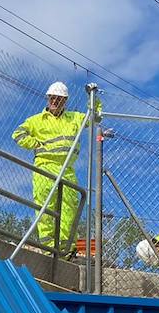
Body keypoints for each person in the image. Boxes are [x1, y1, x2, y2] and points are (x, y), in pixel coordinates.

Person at [12, 82, 96, 251]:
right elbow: (18, 134)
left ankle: (65, 248)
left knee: (68, 208)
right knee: (45, 207)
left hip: (66, 170)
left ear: (65, 101)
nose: (55, 102)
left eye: (59, 99)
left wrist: (93, 97)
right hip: (44, 167)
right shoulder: (36, 121)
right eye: (53, 98)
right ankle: (48, 246)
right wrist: (36, 144)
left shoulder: (74, 118)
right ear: (48, 98)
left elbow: (94, 116)